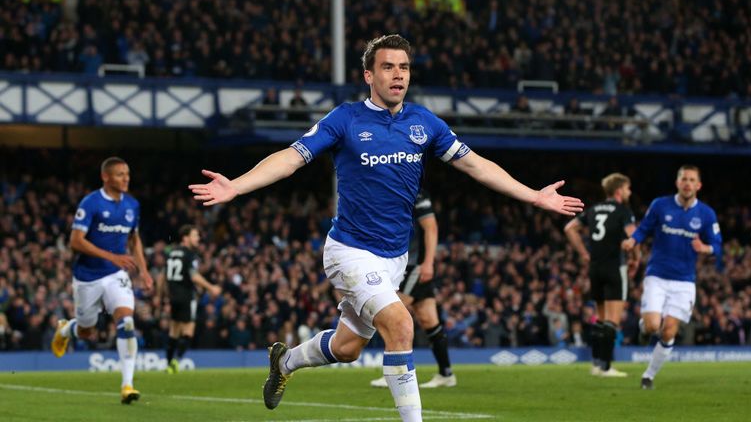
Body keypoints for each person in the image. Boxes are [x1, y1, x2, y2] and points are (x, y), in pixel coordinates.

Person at [189, 34, 583, 421]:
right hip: (350, 251)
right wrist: (236, 186)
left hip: (395, 257)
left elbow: (476, 165)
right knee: (400, 323)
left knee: (346, 349)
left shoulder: (423, 122)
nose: (398, 75)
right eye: (388, 67)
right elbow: (291, 158)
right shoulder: (345, 118)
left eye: (404, 67)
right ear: (368, 76)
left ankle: (286, 362)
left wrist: (533, 195)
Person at [51, 156, 153, 404]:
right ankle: (67, 328)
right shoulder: (92, 203)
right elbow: (76, 241)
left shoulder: (132, 205)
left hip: (116, 275)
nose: (126, 178)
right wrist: (112, 256)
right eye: (120, 174)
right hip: (87, 277)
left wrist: (144, 269)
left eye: (127, 173)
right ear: (105, 177)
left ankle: (127, 385)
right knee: (87, 331)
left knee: (127, 323)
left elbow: (134, 239)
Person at [621, 165, 722, 390]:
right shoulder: (660, 205)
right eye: (683, 179)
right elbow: (644, 228)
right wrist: (633, 241)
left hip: (684, 281)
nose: (687, 183)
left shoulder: (706, 214)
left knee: (668, 331)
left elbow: (717, 245)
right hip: (657, 275)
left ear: (698, 185)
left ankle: (648, 376)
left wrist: (705, 248)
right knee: (652, 325)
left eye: (692, 180)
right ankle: (643, 328)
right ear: (677, 183)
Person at [370, 190, 456, 389]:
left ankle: (395, 371)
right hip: (404, 265)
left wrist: (427, 263)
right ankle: (446, 374)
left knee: (390, 314)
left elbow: (431, 228)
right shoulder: (394, 192)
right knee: (428, 319)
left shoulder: (416, 195)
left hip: (414, 267)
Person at [564, 173, 639, 378]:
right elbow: (633, 236)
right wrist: (636, 257)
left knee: (600, 318)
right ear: (619, 190)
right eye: (627, 188)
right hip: (615, 266)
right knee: (612, 321)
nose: (629, 192)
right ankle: (606, 367)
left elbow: (570, 228)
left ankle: (596, 364)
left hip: (595, 268)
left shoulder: (594, 209)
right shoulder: (623, 210)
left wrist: (584, 253)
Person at [160, 225, 221, 374]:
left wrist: (162, 297)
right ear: (185, 238)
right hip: (186, 295)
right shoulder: (190, 255)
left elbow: (162, 277)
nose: (198, 238)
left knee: (174, 331)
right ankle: (176, 360)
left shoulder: (171, 253)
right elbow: (194, 276)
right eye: (195, 235)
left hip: (173, 296)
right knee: (188, 331)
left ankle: (168, 364)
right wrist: (211, 287)